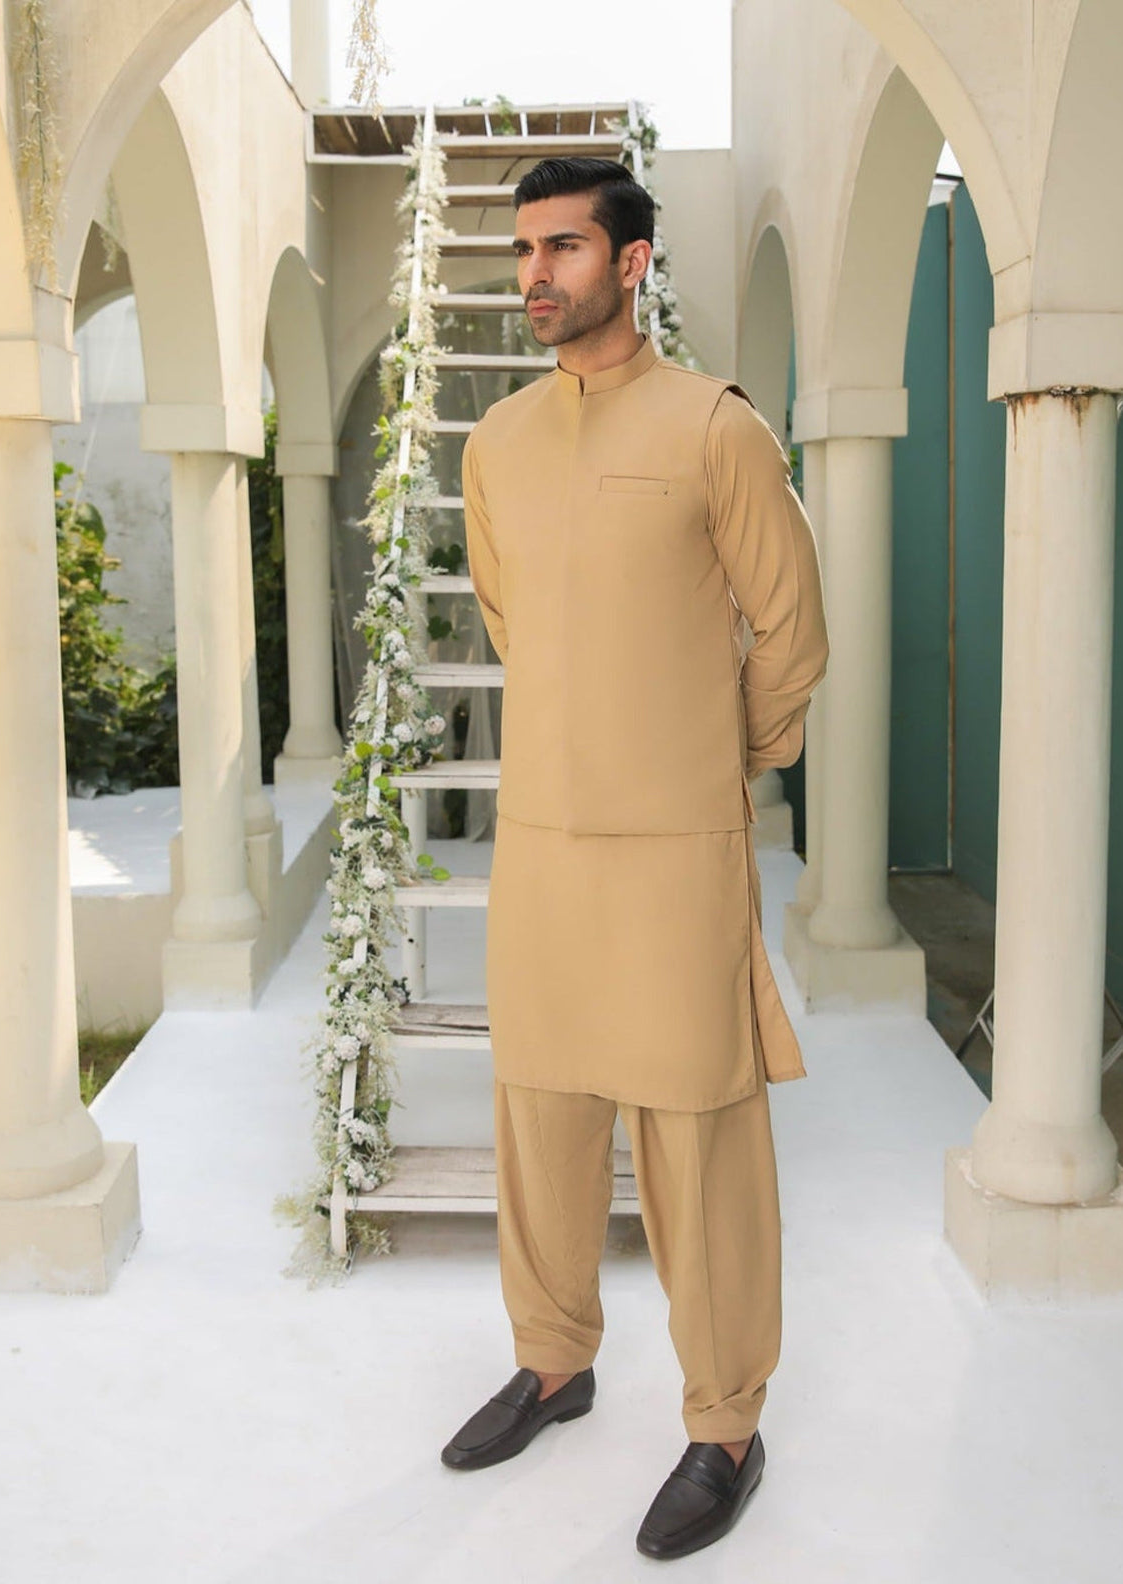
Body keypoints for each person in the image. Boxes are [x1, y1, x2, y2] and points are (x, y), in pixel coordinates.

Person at [440, 156, 828, 1563]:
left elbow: (791, 631)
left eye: (563, 248)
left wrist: (712, 759)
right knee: (540, 1114)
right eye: (524, 250)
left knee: (699, 1134)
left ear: (633, 262)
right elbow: (511, 619)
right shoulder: (498, 443)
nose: (535, 274)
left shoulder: (716, 428)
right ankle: (554, 1362)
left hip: (675, 846)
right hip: (545, 841)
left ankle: (726, 1424)